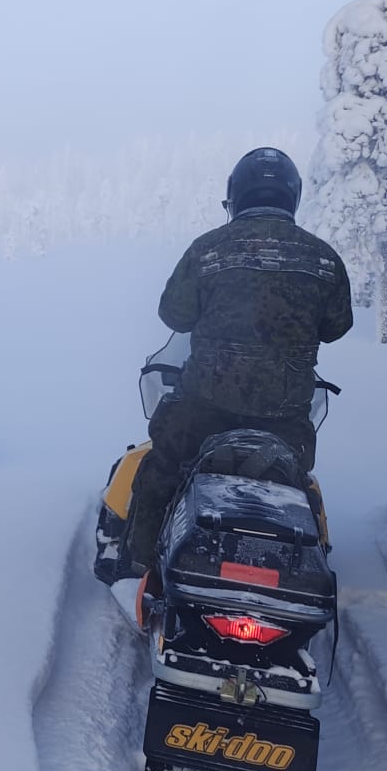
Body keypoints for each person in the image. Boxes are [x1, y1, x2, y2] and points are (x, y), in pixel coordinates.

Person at [125, 148, 353, 577]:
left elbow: (174, 315)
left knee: (161, 470)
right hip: (285, 419)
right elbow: (337, 326)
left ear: (237, 195)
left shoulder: (207, 249)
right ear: (292, 196)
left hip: (202, 411)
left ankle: (139, 567)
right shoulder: (323, 259)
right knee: (295, 482)